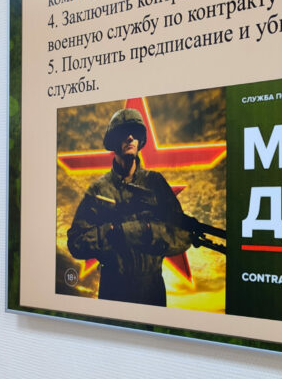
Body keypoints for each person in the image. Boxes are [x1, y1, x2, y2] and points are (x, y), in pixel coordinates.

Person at [67, 108, 191, 306]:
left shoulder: (155, 183)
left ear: (140, 140)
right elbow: (76, 242)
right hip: (113, 289)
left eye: (135, 132)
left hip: (151, 291)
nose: (130, 137)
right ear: (113, 141)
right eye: (124, 132)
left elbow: (183, 235)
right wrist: (112, 232)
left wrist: (148, 230)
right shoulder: (99, 189)